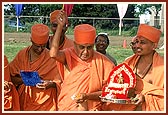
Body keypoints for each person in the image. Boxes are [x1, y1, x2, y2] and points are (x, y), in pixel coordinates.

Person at [49, 10, 115, 111]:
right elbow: (53, 53)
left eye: (89, 47)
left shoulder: (104, 62)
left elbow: (109, 91)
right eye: (81, 47)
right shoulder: (69, 55)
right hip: (67, 107)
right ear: (74, 44)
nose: (85, 52)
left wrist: (87, 96)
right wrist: (59, 27)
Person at [102, 24, 164, 111]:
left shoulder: (163, 67)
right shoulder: (128, 63)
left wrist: (145, 98)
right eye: (136, 42)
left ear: (154, 46)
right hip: (128, 107)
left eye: (142, 42)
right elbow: (119, 87)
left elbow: (163, 96)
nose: (137, 46)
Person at [9, 24, 62, 111]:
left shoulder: (51, 58)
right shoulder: (22, 55)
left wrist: (51, 84)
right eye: (37, 46)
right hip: (24, 100)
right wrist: (25, 80)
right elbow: (10, 77)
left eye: (43, 46)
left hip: (46, 104)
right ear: (31, 40)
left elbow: (61, 81)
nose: (40, 49)